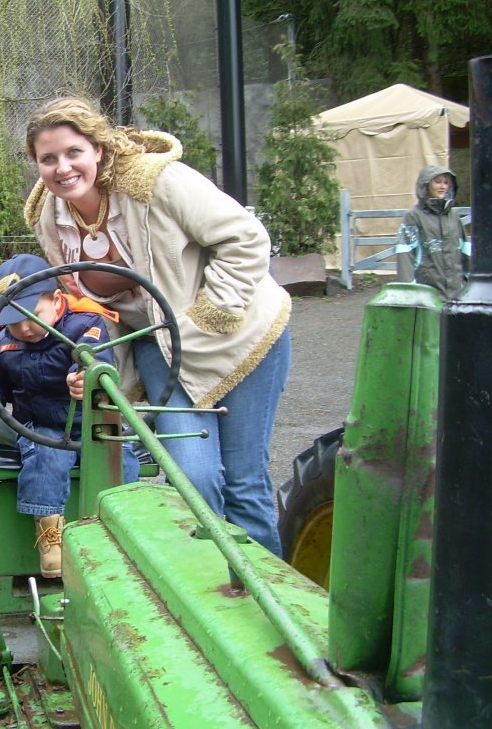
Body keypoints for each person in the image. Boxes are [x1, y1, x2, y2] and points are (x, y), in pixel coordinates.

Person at [22, 96, 291, 557]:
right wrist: (94, 364)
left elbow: (246, 239)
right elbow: (90, 308)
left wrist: (209, 315)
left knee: (243, 480)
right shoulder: (52, 219)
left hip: (241, 332)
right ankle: (206, 582)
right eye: (48, 159)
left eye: (73, 152)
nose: (62, 168)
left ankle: (261, 594)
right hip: (159, 343)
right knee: (192, 473)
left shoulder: (155, 182)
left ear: (98, 150)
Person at [0, 253, 140, 578]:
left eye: (33, 316)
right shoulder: (2, 342)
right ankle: (50, 536)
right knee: (45, 457)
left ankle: (122, 528)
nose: (24, 328)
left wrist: (85, 377)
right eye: (13, 322)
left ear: (57, 300)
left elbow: (94, 358)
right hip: (41, 424)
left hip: (93, 423)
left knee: (120, 458)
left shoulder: (85, 325)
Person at [395, 165, 468, 301]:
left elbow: (465, 251)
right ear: (426, 184)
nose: (442, 186)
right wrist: (408, 293)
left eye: (446, 182)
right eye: (437, 182)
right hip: (426, 296)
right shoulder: (413, 216)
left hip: (456, 295)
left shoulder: (453, 216)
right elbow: (405, 255)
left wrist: (469, 285)